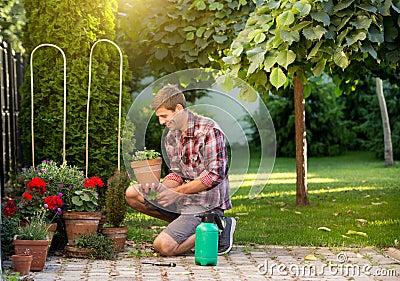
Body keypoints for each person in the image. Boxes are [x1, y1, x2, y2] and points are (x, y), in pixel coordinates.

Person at [125, 84, 236, 256]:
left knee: (163, 246)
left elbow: (214, 175)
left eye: (164, 116)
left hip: (204, 205)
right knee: (133, 193)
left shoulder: (209, 130)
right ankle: (186, 224)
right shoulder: (172, 136)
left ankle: (216, 226)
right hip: (184, 201)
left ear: (178, 109)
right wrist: (163, 188)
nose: (161, 122)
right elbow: (177, 172)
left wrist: (176, 193)